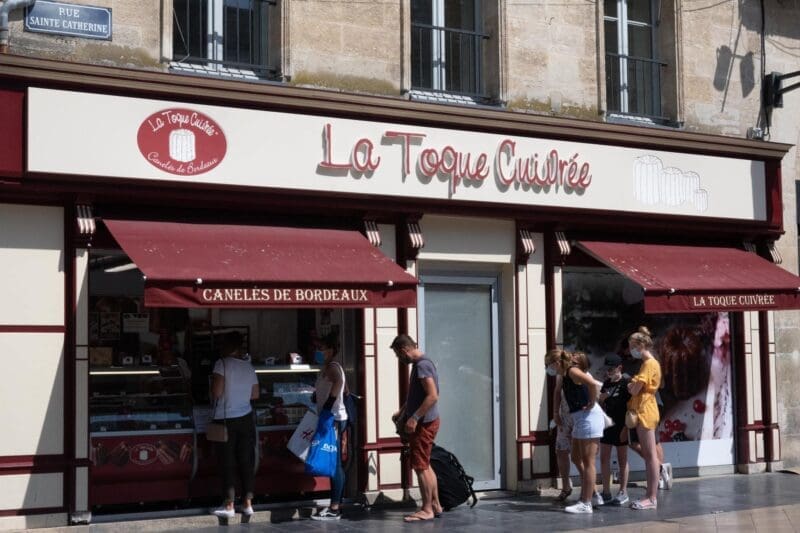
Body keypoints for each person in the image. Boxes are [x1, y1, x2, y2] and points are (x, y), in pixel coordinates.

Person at [544, 349, 605, 514]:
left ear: (556, 363)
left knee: (588, 461)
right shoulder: (564, 375)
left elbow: (592, 384)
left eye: (548, 365)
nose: (548, 369)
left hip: (587, 417)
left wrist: (592, 402)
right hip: (578, 417)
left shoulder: (572, 371)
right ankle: (588, 496)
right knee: (576, 457)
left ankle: (586, 502)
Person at [390, 334, 442, 522]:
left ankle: (427, 508)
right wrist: (403, 410)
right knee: (425, 465)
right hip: (425, 421)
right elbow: (417, 394)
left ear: (404, 350)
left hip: (423, 424)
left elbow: (432, 396)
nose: (399, 359)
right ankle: (435, 505)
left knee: (420, 466)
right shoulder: (421, 364)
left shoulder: (422, 365)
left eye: (398, 354)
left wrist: (413, 418)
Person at [210, 331, 259, 519]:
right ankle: (247, 503)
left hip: (226, 419)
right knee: (246, 461)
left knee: (227, 462)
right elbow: (255, 395)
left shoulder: (221, 364)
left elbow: (217, 391)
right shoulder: (249, 367)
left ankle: (229, 505)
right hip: (246, 418)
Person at [310, 333, 348, 521]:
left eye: (321, 348)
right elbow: (345, 390)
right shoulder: (326, 367)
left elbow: (339, 383)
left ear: (330, 350)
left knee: (335, 463)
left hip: (333, 418)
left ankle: (335, 507)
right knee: (334, 461)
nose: (318, 351)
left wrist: (329, 403)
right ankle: (336, 504)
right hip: (331, 417)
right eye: (317, 348)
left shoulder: (333, 367)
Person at [626, 326, 662, 510]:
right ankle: (650, 495)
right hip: (644, 409)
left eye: (632, 345)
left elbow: (635, 389)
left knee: (650, 456)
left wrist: (632, 384)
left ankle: (651, 496)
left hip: (645, 410)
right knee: (649, 455)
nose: (631, 349)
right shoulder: (648, 364)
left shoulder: (648, 364)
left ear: (640, 345)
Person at [598, 352, 631, 505]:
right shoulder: (606, 384)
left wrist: (626, 428)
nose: (609, 372)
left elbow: (631, 407)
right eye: (607, 369)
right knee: (604, 458)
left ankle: (623, 491)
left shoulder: (626, 383)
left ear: (619, 368)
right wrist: (601, 400)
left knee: (622, 459)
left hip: (621, 425)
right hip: (607, 425)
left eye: (612, 369)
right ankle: (606, 491)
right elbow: (602, 405)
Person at [551, 372, 577, 501]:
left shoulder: (583, 374)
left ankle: (591, 491)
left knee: (579, 457)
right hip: (564, 417)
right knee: (561, 450)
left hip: (578, 418)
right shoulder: (561, 375)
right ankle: (566, 486)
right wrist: (556, 413)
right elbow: (557, 392)